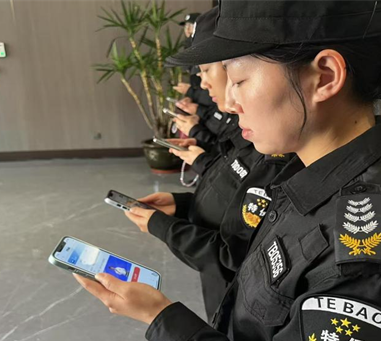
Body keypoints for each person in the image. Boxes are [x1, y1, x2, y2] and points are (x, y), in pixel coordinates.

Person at [75, 1, 381, 341]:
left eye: (240, 80)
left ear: (325, 76)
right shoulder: (307, 174)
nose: (230, 103)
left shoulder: (367, 262)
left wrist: (162, 318)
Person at [124, 8, 294, 322]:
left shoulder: (279, 154)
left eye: (238, 79)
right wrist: (183, 205)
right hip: (221, 294)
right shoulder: (255, 136)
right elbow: (231, 197)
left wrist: (159, 318)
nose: (202, 85)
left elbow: (233, 256)